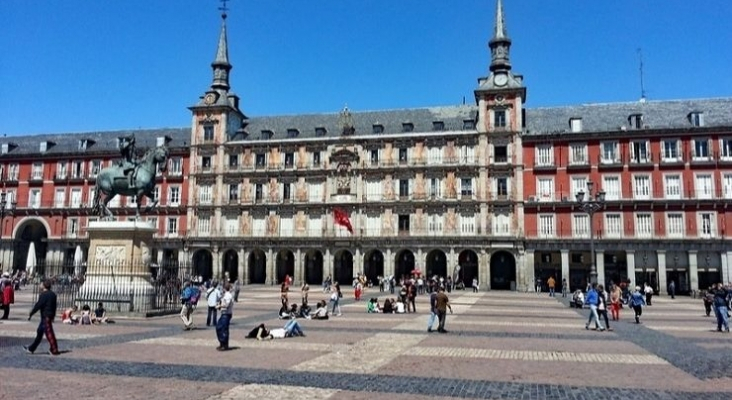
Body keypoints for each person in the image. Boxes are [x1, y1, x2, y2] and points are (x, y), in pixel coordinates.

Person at [23, 280, 60, 355]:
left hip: (45, 316)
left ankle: (54, 349)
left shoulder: (43, 295)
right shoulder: (53, 294)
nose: (40, 286)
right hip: (49, 315)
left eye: (41, 284)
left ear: (44, 286)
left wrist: (31, 313)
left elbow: (38, 305)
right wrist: (53, 315)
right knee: (40, 332)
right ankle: (31, 348)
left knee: (49, 333)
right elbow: (54, 306)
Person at [216, 283, 234, 350]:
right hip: (224, 314)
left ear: (224, 288)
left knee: (223, 329)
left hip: (226, 314)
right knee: (219, 328)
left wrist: (219, 306)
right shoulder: (225, 295)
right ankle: (222, 343)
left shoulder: (228, 295)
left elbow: (227, 305)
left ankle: (224, 345)